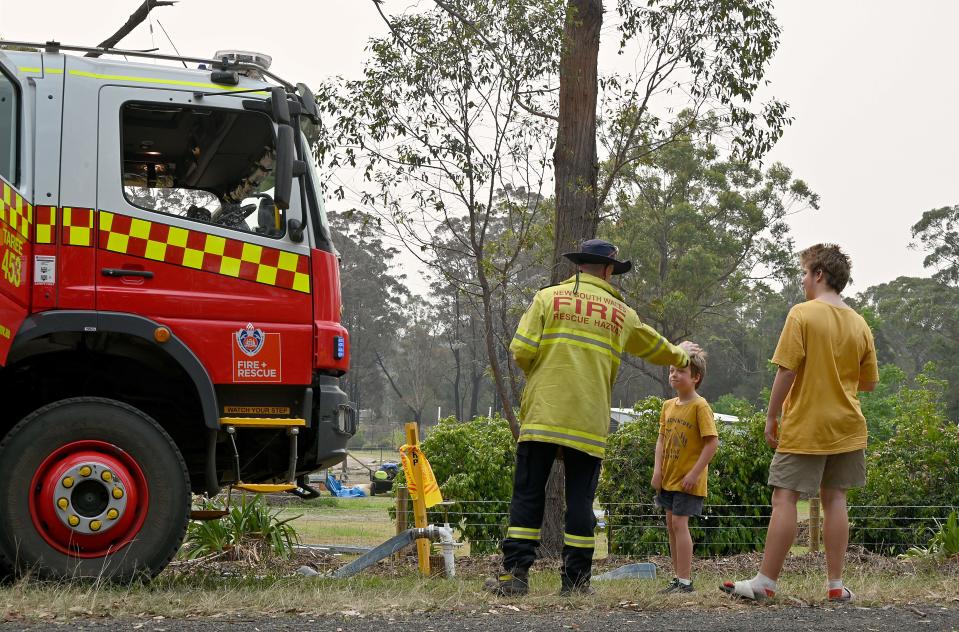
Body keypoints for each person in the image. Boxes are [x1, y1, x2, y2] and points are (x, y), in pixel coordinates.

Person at [486, 239, 700, 597]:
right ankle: (576, 582)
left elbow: (521, 349)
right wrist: (681, 356)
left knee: (527, 494)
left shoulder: (547, 297)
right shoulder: (621, 313)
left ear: (579, 267)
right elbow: (654, 346)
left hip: (543, 414)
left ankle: (516, 577)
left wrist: (541, 377)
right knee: (581, 501)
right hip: (587, 421)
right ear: (606, 270)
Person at [721, 244, 879, 603]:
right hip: (848, 425)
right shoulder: (859, 322)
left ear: (819, 274)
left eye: (805, 273)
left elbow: (788, 369)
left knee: (785, 497)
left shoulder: (802, 314)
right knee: (836, 498)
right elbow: (868, 382)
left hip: (807, 423)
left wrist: (772, 415)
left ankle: (765, 582)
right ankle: (836, 586)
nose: (803, 280)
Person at [652, 350, 718, 594]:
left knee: (680, 523)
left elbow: (712, 443)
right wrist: (657, 471)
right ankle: (677, 578)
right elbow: (661, 440)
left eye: (681, 371)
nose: (674, 375)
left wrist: (694, 473)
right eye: (671, 370)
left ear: (696, 377)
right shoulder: (668, 406)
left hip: (688, 482)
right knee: (671, 524)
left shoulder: (701, 406)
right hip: (668, 478)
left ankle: (685, 581)